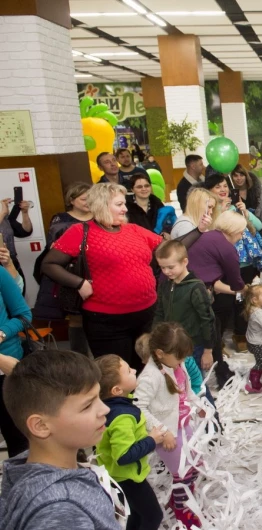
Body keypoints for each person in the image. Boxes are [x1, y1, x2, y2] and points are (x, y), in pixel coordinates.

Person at [42, 183, 163, 372]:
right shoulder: (79, 232)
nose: (125, 208)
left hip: (147, 315)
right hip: (107, 323)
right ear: (102, 205)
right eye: (119, 204)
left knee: (147, 372)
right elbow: (48, 265)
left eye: (124, 204)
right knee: (116, 375)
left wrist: (199, 230)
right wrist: (78, 283)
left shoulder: (133, 230)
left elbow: (170, 250)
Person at [0, 350, 119, 530]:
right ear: (41, 426)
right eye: (87, 405)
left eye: (99, 398)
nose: (105, 410)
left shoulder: (27, 466)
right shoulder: (60, 511)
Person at [133, 323, 203, 529]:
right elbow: (138, 407)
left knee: (195, 465)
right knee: (182, 472)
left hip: (183, 424)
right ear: (160, 353)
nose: (183, 362)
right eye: (179, 357)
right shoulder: (150, 377)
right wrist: (163, 433)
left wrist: (198, 405)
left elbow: (186, 390)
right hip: (167, 433)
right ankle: (182, 508)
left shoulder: (176, 366)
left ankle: (178, 499)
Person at [95, 355, 165, 530]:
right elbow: (124, 455)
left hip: (121, 476)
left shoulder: (117, 405)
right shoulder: (122, 417)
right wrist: (152, 440)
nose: (134, 370)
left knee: (135, 515)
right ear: (117, 390)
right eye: (128, 371)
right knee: (153, 516)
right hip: (127, 477)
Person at [186, 210, 247, 389]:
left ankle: (220, 369)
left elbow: (212, 279)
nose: (242, 236)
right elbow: (236, 283)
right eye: (241, 232)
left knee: (212, 330)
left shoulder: (208, 237)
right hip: (197, 296)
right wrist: (248, 290)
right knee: (208, 333)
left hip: (186, 290)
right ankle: (202, 382)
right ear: (233, 230)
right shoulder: (227, 248)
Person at [204, 173, 262, 353]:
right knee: (222, 305)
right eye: (217, 187)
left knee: (242, 301)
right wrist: (219, 211)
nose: (222, 190)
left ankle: (240, 335)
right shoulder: (208, 211)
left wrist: (245, 212)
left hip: (245, 263)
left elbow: (258, 227)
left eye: (224, 186)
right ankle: (217, 341)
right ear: (209, 191)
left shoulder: (236, 207)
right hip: (221, 265)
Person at [32, 182, 93, 354]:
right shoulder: (61, 219)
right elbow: (54, 248)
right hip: (71, 275)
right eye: (83, 198)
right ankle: (79, 358)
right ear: (72, 200)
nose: (88, 201)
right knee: (76, 319)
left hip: (97, 273)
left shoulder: (100, 217)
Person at [153, 240, 213, 397]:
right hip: (172, 344)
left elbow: (207, 319)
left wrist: (208, 350)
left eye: (171, 267)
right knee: (180, 382)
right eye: (162, 267)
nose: (166, 271)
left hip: (193, 345)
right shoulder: (165, 285)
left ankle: (210, 417)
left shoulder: (195, 287)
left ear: (184, 261)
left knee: (196, 384)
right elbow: (160, 312)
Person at [0, 267, 32, 458]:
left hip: (9, 369)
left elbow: (23, 315)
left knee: (19, 440)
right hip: (4, 363)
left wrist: (2, 333)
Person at [242, 283, 262, 393]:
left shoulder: (261, 308)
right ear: (255, 300)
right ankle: (253, 383)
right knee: (261, 361)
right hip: (257, 343)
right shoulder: (257, 312)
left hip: (259, 341)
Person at [0, 193, 34, 287]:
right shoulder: (2, 214)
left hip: (11, 262)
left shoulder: (3, 218)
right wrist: (3, 213)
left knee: (18, 294)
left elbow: (25, 232)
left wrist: (24, 212)